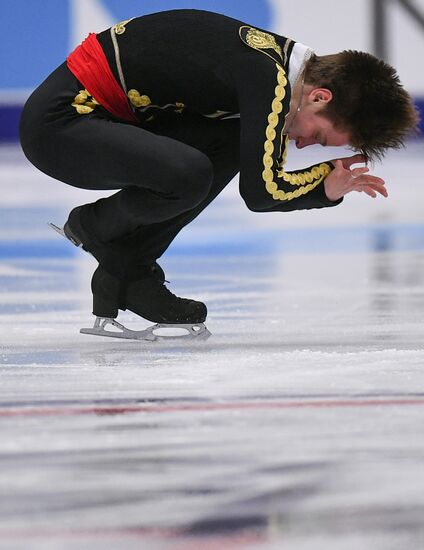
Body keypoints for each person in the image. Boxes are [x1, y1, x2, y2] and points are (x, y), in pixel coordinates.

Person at [19, 9, 419, 339]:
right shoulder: (272, 79)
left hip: (104, 123)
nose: (301, 144)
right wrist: (324, 186)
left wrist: (321, 183)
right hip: (60, 126)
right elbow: (261, 192)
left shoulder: (280, 68)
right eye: (318, 135)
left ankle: (127, 271)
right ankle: (95, 226)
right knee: (190, 172)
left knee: (227, 143)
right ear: (319, 96)